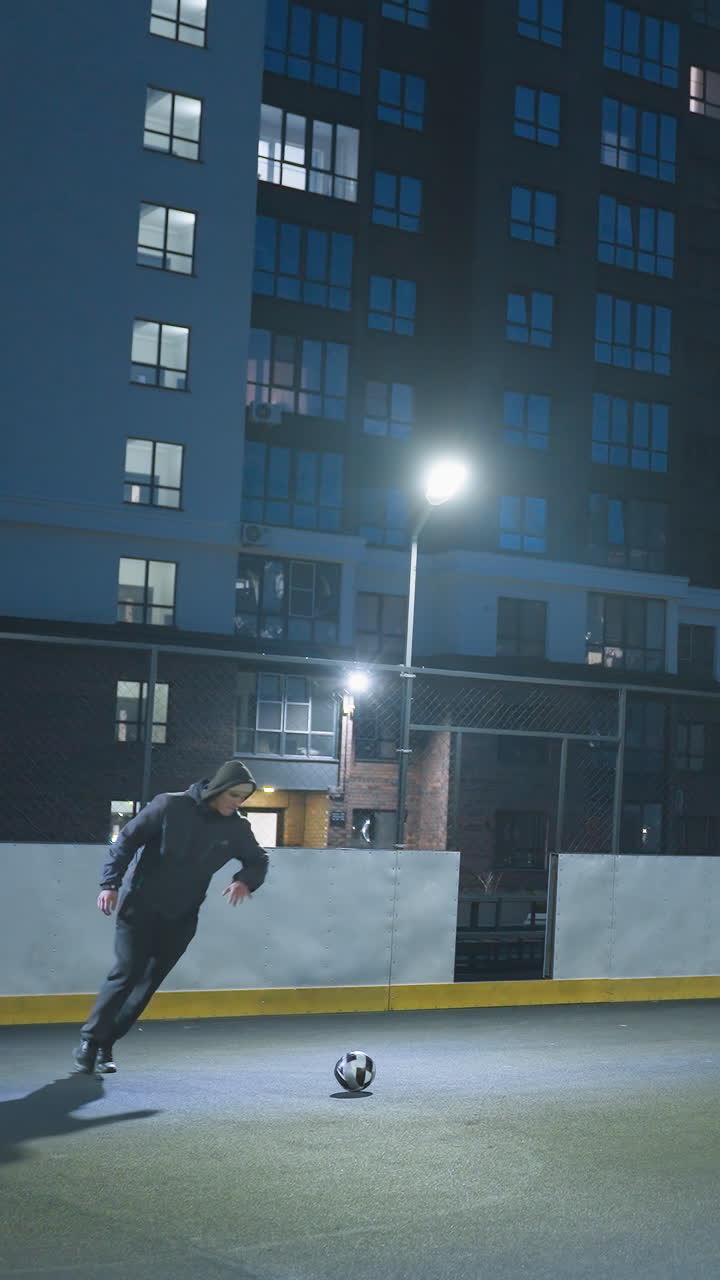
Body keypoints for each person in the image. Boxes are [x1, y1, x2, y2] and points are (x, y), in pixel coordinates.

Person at [73, 760, 269, 1074]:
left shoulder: (237, 828)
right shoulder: (168, 806)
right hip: (139, 909)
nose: (238, 802)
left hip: (181, 919)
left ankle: (106, 1042)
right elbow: (126, 841)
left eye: (243, 797)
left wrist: (245, 880)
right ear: (218, 788)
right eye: (234, 794)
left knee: (146, 986)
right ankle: (90, 1041)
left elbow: (258, 859)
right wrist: (109, 884)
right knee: (127, 973)